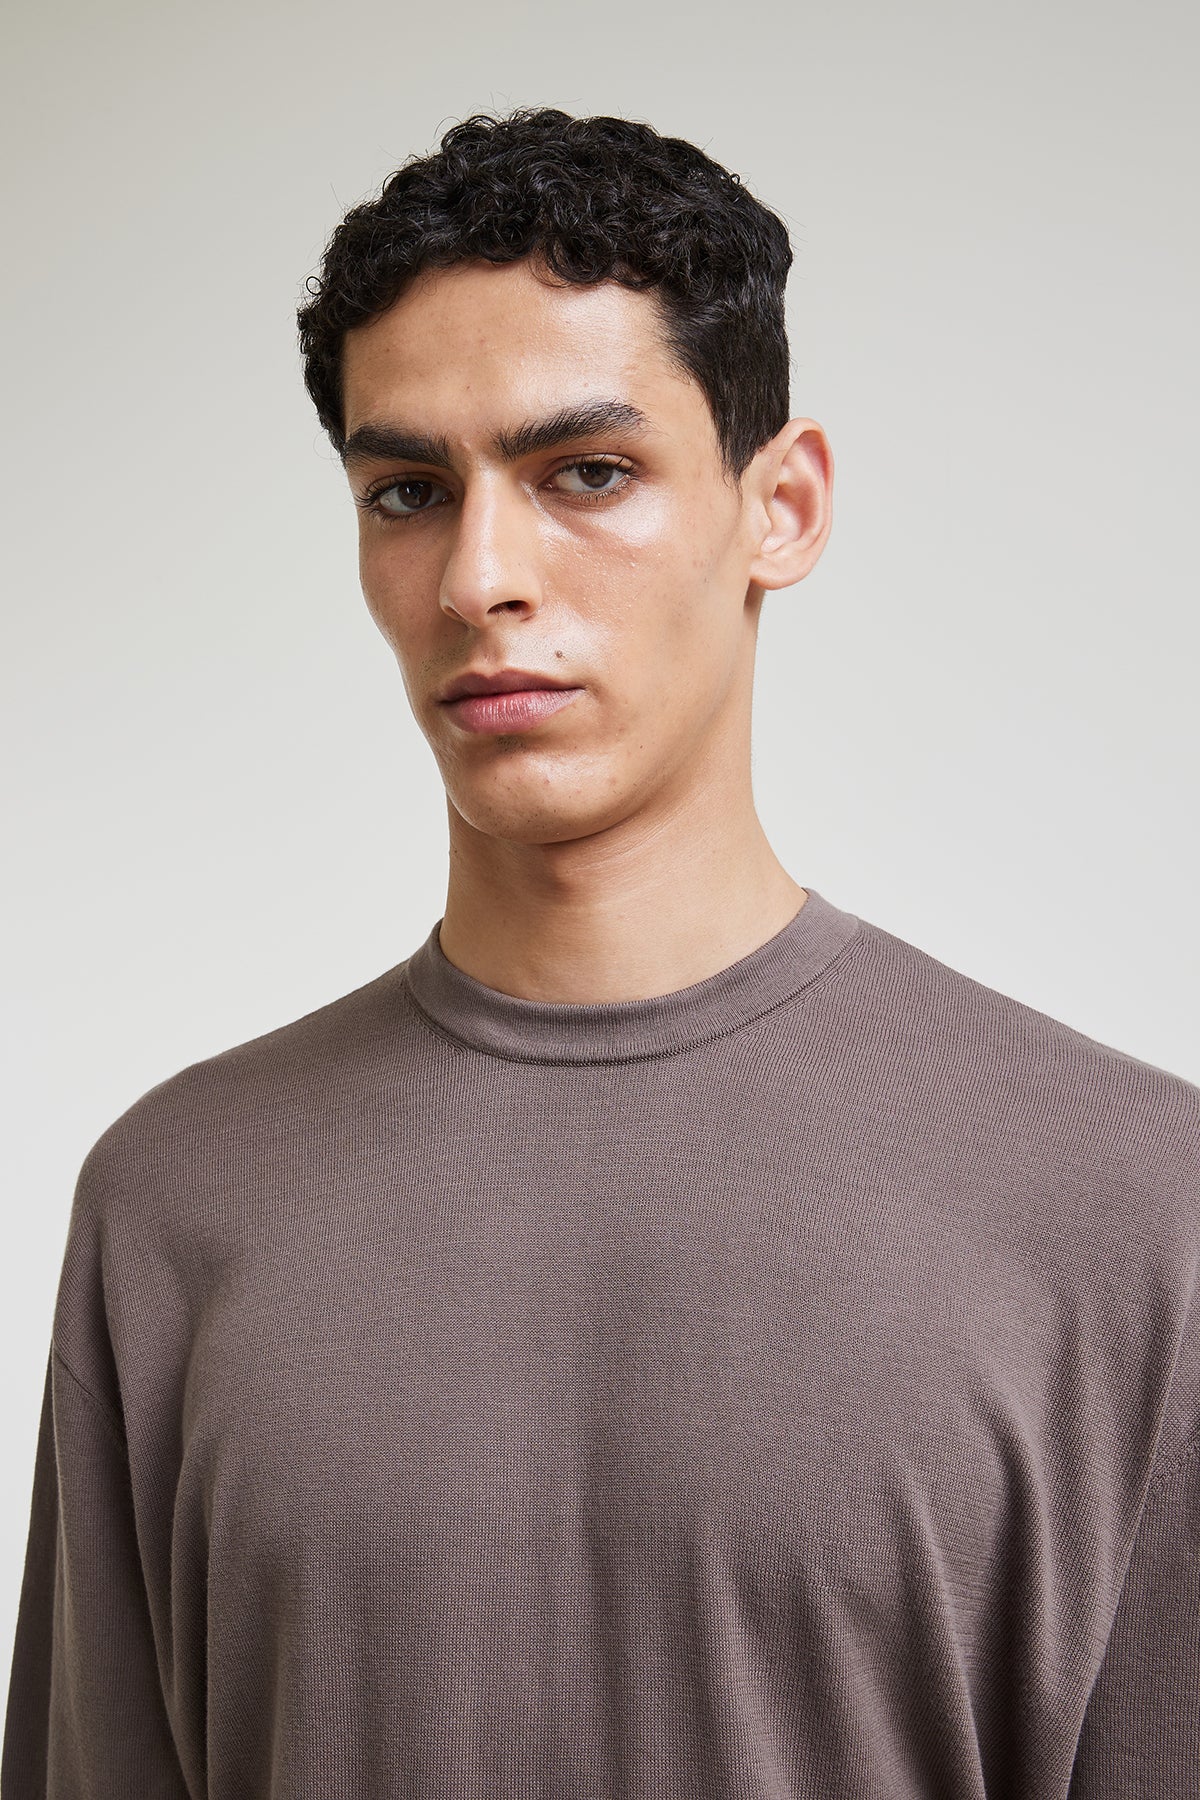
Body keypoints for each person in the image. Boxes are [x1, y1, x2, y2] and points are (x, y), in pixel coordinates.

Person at [2, 105, 1197, 1800]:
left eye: (587, 474)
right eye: (409, 493)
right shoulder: (176, 1201)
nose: (479, 577)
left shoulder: (1138, 1210)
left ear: (781, 506)